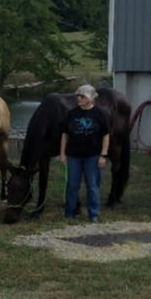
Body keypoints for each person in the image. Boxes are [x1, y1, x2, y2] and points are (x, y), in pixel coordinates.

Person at [59, 84, 110, 223]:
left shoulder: (99, 114)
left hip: (92, 156)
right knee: (72, 185)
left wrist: (103, 155)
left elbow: (106, 135)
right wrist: (63, 153)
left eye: (82, 96)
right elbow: (65, 134)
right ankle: (70, 213)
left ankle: (93, 213)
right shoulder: (72, 113)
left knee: (92, 185)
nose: (79, 98)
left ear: (90, 98)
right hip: (74, 155)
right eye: (78, 96)